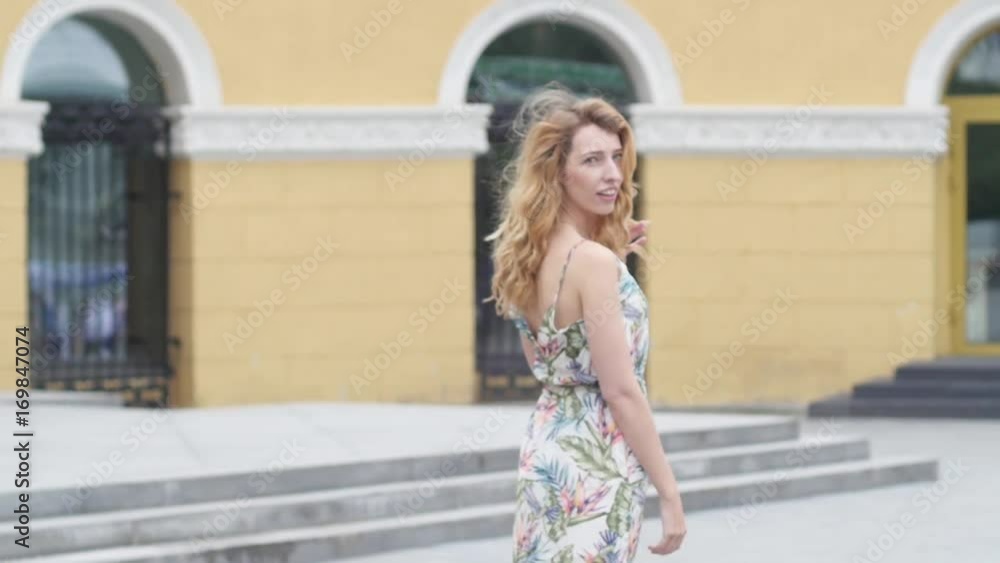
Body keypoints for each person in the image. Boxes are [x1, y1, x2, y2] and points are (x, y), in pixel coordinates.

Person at [485, 85, 687, 561]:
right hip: (597, 468)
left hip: (546, 456)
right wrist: (670, 493)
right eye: (593, 160)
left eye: (616, 157)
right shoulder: (593, 263)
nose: (613, 174)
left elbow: (550, 365)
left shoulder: (525, 257)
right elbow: (620, 390)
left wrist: (611, 255)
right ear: (558, 172)